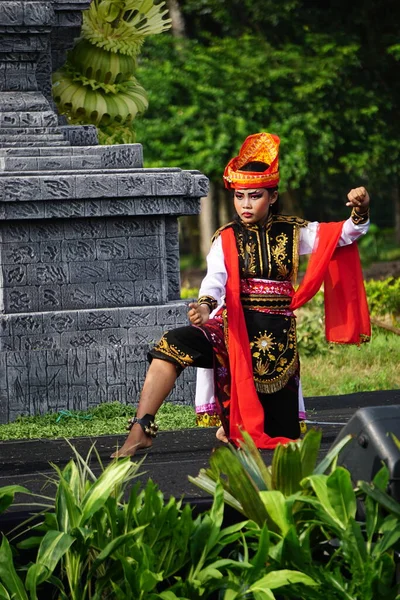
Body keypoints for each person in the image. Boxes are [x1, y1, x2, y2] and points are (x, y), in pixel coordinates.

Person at [111, 132, 371, 458]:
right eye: (240, 196)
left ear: (272, 197)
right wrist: (205, 309)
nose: (245, 205)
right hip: (231, 328)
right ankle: (140, 429)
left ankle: (232, 423)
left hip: (276, 339)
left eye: (255, 196)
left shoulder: (292, 231)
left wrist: (360, 210)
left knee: (281, 439)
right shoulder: (227, 238)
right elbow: (214, 281)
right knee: (171, 345)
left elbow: (343, 235)